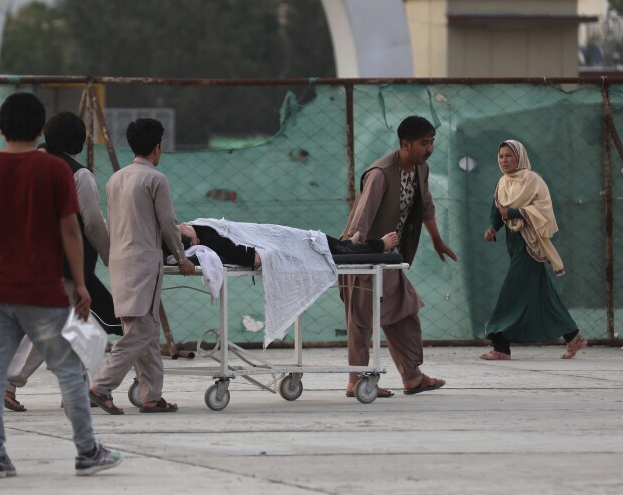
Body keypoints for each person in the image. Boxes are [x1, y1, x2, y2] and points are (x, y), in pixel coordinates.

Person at [0, 92, 122, 477]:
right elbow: (72, 230)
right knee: (69, 372)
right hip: (44, 291)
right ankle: (87, 452)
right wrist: (80, 282)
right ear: (39, 128)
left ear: (0, 127)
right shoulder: (58, 172)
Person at [4, 111, 122, 413]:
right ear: (78, 140)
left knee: (75, 325)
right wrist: (111, 257)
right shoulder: (78, 174)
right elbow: (93, 223)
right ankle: (7, 382)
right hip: (64, 265)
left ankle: (78, 390)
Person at [339, 115, 458, 398]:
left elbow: (426, 206)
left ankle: (412, 377)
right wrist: (355, 254)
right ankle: (356, 380)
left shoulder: (421, 170)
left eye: (431, 143)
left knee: (404, 311)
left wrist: (437, 241)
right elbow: (361, 219)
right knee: (361, 320)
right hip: (364, 257)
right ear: (405, 144)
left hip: (388, 259)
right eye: (423, 143)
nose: (429, 149)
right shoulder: (381, 173)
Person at [89, 118, 195, 415]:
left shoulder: (115, 179)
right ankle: (100, 386)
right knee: (140, 332)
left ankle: (151, 396)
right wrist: (182, 257)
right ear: (157, 147)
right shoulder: (155, 179)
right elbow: (168, 225)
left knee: (144, 330)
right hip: (144, 262)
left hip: (119, 260)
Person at [480, 139, 587, 360]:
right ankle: (573, 336)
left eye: (509, 155)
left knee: (510, 293)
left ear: (519, 157)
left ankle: (500, 345)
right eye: (501, 156)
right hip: (514, 245)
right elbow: (498, 211)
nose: (504, 160)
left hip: (530, 246)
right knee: (544, 295)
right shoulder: (502, 183)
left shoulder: (532, 180)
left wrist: (516, 213)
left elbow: (544, 210)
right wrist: (492, 228)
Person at [169, 222, 400, 268]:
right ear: (194, 242)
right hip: (268, 241)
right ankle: (376, 245)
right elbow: (251, 259)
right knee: (310, 242)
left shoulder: (200, 227)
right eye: (185, 229)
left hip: (263, 234)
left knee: (313, 239)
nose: (185, 224)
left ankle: (345, 245)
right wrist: (269, 252)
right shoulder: (210, 239)